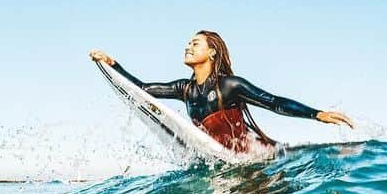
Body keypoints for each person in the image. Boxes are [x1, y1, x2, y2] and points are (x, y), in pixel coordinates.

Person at [89, 30, 353, 153]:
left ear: (211, 52)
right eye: (188, 43)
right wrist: (114, 65)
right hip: (223, 158)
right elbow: (144, 90)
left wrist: (317, 114)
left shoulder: (229, 86)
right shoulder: (186, 89)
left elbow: (273, 102)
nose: (187, 47)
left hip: (257, 156)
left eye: (195, 43)